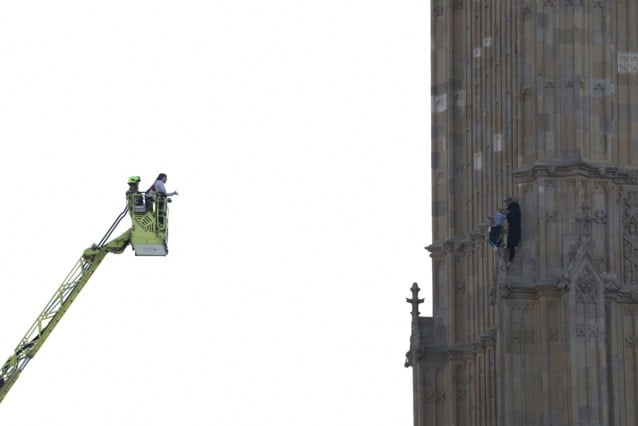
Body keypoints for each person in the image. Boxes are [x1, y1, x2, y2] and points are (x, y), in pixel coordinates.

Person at [504, 196, 521, 267]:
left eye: (507, 202)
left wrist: (507, 215)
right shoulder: (515, 208)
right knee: (510, 246)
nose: (506, 204)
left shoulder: (513, 208)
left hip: (514, 230)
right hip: (514, 230)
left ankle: (509, 262)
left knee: (512, 246)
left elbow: (512, 218)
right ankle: (509, 261)